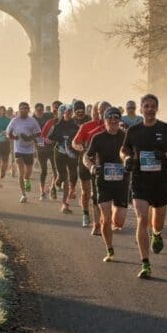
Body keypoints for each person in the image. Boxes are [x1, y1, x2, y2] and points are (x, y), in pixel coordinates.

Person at [122, 93, 167, 279]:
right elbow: (124, 150)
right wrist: (126, 159)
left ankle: (157, 234)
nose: (149, 109)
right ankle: (145, 263)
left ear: (157, 108)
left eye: (152, 106)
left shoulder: (166, 129)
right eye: (146, 106)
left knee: (158, 221)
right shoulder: (133, 131)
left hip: (160, 182)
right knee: (142, 219)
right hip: (139, 181)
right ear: (141, 109)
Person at [85, 107, 130, 262]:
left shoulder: (125, 137)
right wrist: (91, 166)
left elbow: (134, 154)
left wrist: (131, 162)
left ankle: (113, 212)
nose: (113, 121)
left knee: (118, 222)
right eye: (109, 118)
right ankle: (109, 250)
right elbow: (87, 156)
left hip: (122, 182)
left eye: (116, 118)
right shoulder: (98, 138)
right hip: (103, 181)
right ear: (104, 120)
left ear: (119, 120)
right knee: (105, 217)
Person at [74, 101, 111, 232]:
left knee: (97, 193)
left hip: (101, 163)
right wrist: (81, 147)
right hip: (85, 160)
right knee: (86, 192)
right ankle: (85, 213)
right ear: (96, 111)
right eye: (101, 110)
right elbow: (75, 142)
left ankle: (98, 223)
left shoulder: (112, 125)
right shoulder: (86, 126)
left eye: (107, 109)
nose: (104, 112)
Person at [6, 102, 42, 203]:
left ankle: (27, 180)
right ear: (19, 109)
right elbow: (8, 133)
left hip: (29, 149)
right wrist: (14, 137)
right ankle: (23, 194)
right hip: (18, 149)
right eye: (22, 108)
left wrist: (30, 137)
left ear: (28, 110)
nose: (24, 110)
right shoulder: (14, 121)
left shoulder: (32, 121)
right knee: (21, 172)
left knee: (28, 173)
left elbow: (39, 133)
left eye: (26, 108)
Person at [49, 104, 81, 214]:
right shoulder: (57, 126)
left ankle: (65, 205)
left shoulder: (75, 127)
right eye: (66, 112)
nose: (68, 114)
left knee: (69, 177)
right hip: (59, 153)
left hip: (71, 154)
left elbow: (79, 139)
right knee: (61, 176)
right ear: (63, 114)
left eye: (70, 112)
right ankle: (54, 185)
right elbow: (50, 138)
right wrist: (60, 138)